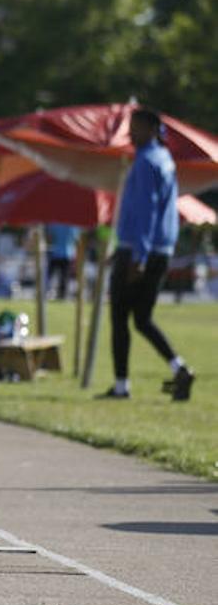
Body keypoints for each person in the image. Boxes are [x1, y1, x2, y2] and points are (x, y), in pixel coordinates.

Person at [100, 108, 195, 401]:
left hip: (141, 251)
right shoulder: (165, 160)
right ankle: (179, 368)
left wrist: (136, 257)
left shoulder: (145, 162)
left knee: (119, 316)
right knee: (141, 318)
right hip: (159, 249)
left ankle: (121, 385)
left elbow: (146, 212)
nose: (131, 133)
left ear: (153, 129)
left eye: (136, 127)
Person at [44, 222, 81, 300]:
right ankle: (62, 295)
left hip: (55, 252)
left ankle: (45, 292)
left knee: (50, 275)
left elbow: (50, 236)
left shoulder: (55, 224)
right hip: (67, 254)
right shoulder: (73, 226)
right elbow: (76, 239)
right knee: (64, 277)